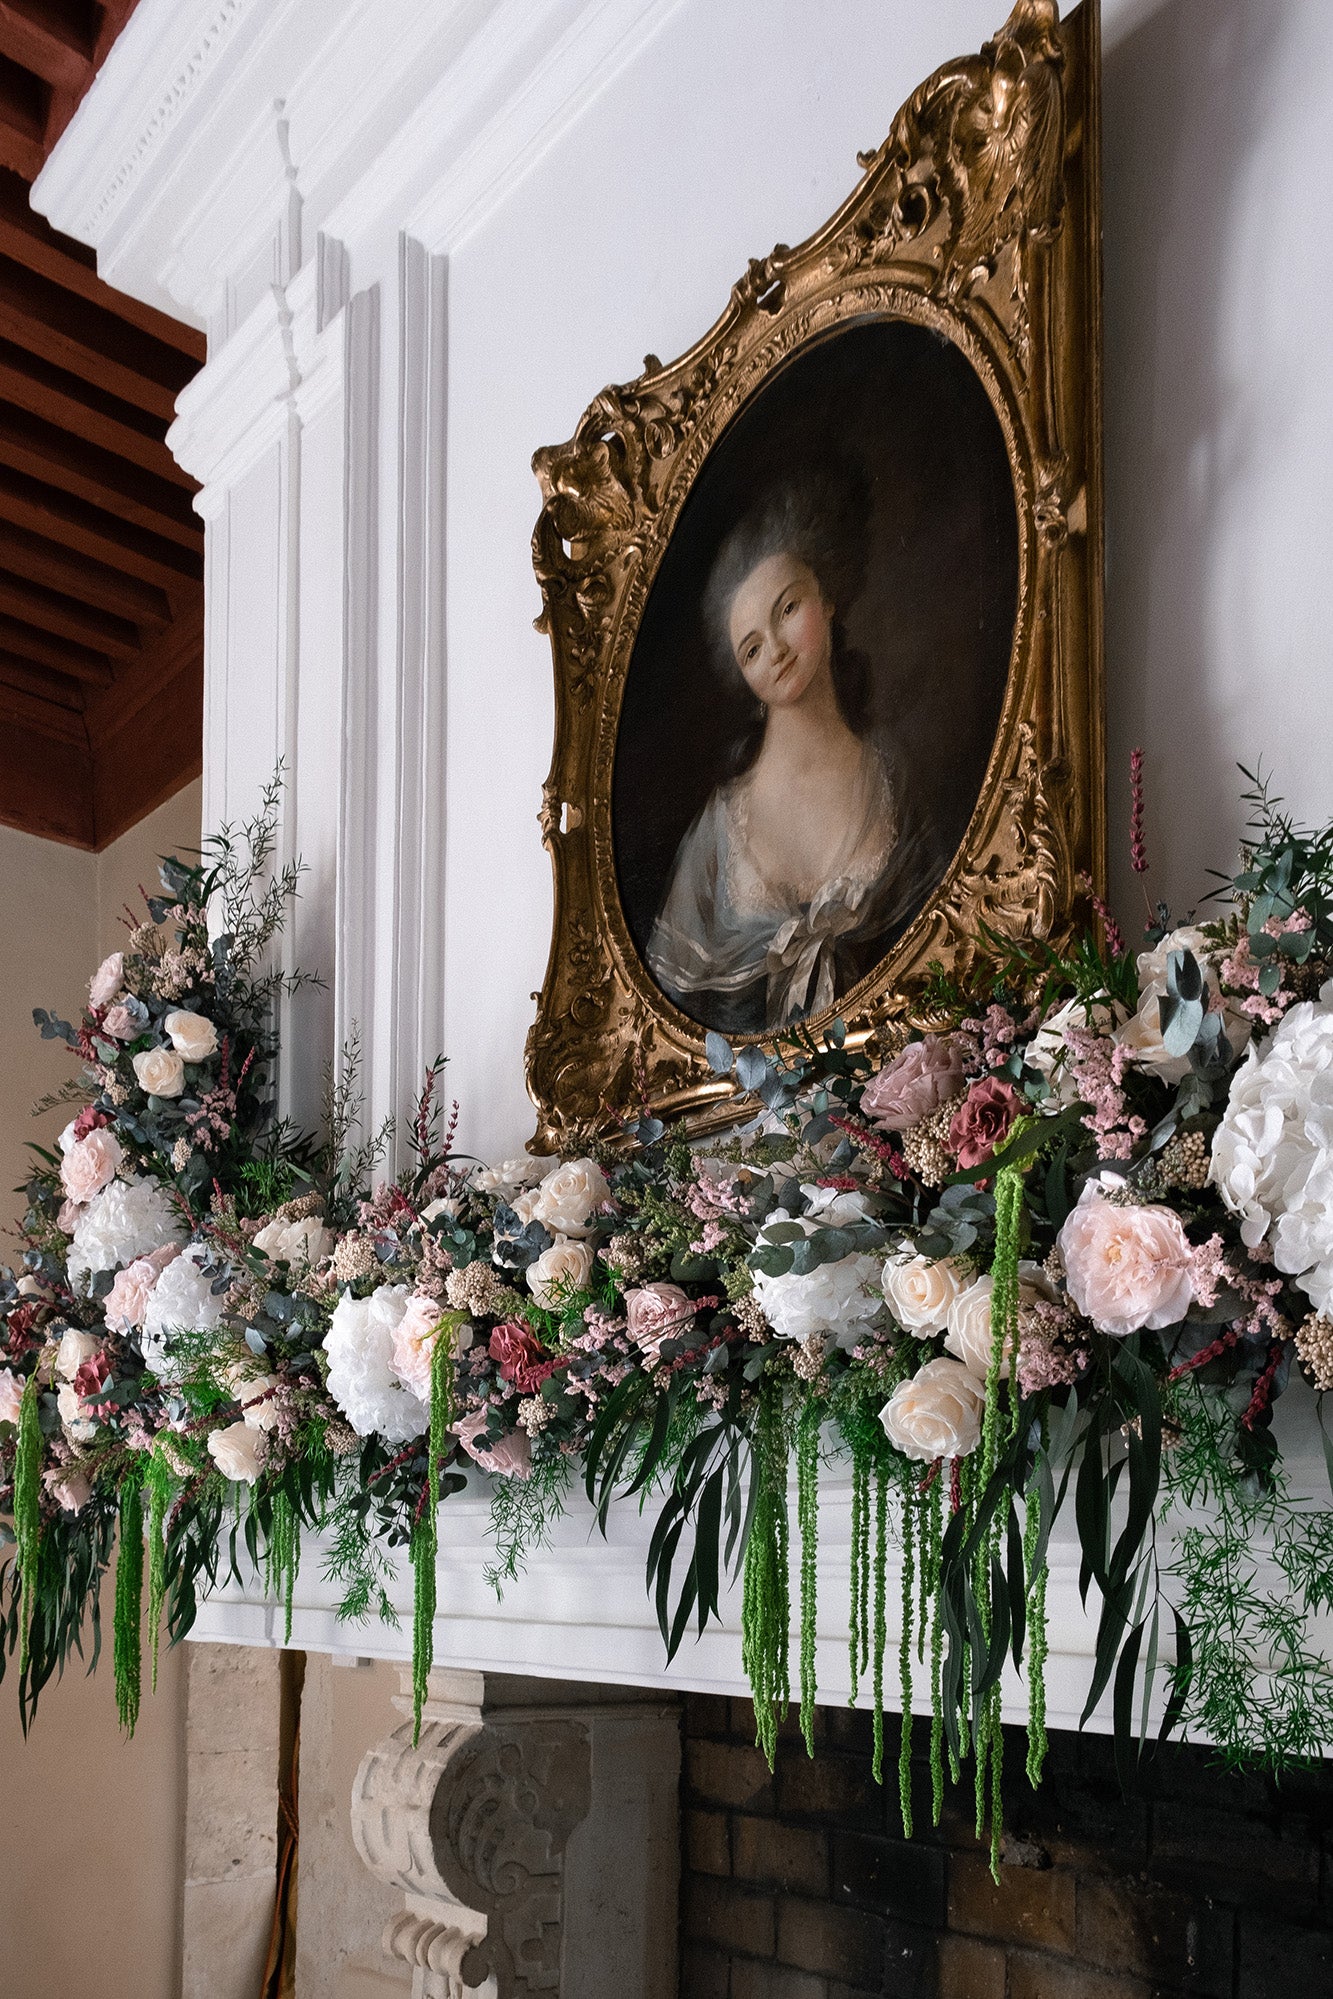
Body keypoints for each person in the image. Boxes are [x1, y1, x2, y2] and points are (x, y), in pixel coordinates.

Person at [646, 469, 941, 1033]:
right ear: (740, 672)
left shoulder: (894, 784)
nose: (777, 651)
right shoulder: (720, 828)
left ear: (827, 599)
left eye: (787, 609)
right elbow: (668, 1027)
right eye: (752, 648)